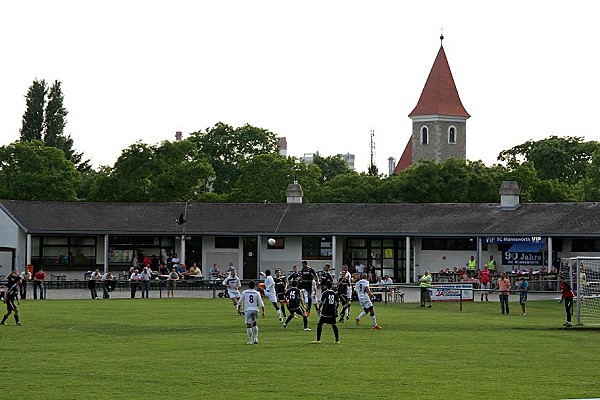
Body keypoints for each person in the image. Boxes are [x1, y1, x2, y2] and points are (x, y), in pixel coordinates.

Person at [237, 281, 265, 345]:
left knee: (249, 325)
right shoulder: (257, 293)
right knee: (255, 324)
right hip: (255, 310)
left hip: (248, 310)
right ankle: (255, 339)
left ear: (248, 286)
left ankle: (250, 340)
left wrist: (238, 310)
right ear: (254, 286)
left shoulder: (245, 292)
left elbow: (240, 302)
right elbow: (261, 304)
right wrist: (263, 312)